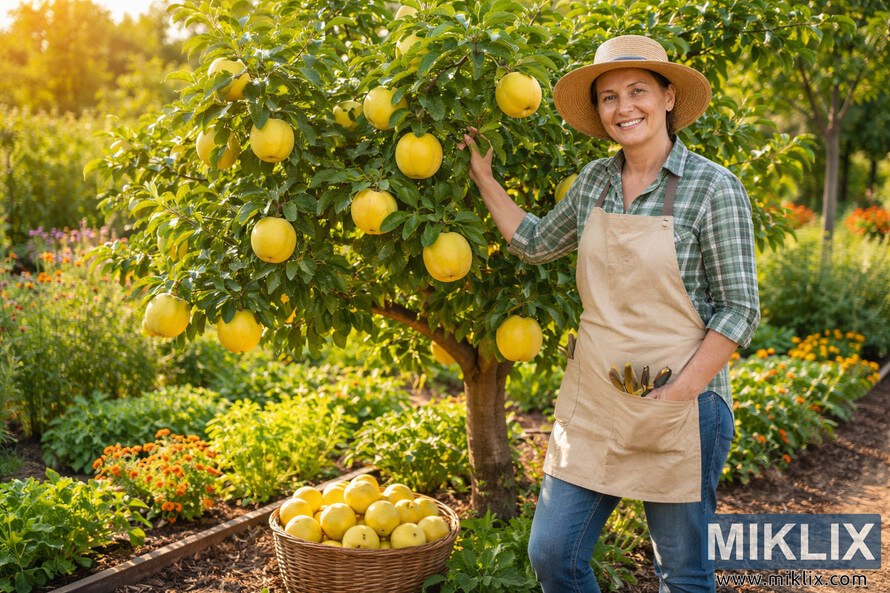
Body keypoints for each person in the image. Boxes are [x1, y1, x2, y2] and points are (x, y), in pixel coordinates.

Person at [459, 35, 760, 592]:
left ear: (669, 97)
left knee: (683, 574)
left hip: (681, 404)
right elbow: (534, 241)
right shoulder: (595, 182)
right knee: (552, 553)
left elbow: (739, 311)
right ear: (598, 112)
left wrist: (674, 395)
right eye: (609, 97)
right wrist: (485, 179)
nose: (624, 108)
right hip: (596, 400)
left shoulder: (714, 188)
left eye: (638, 91)